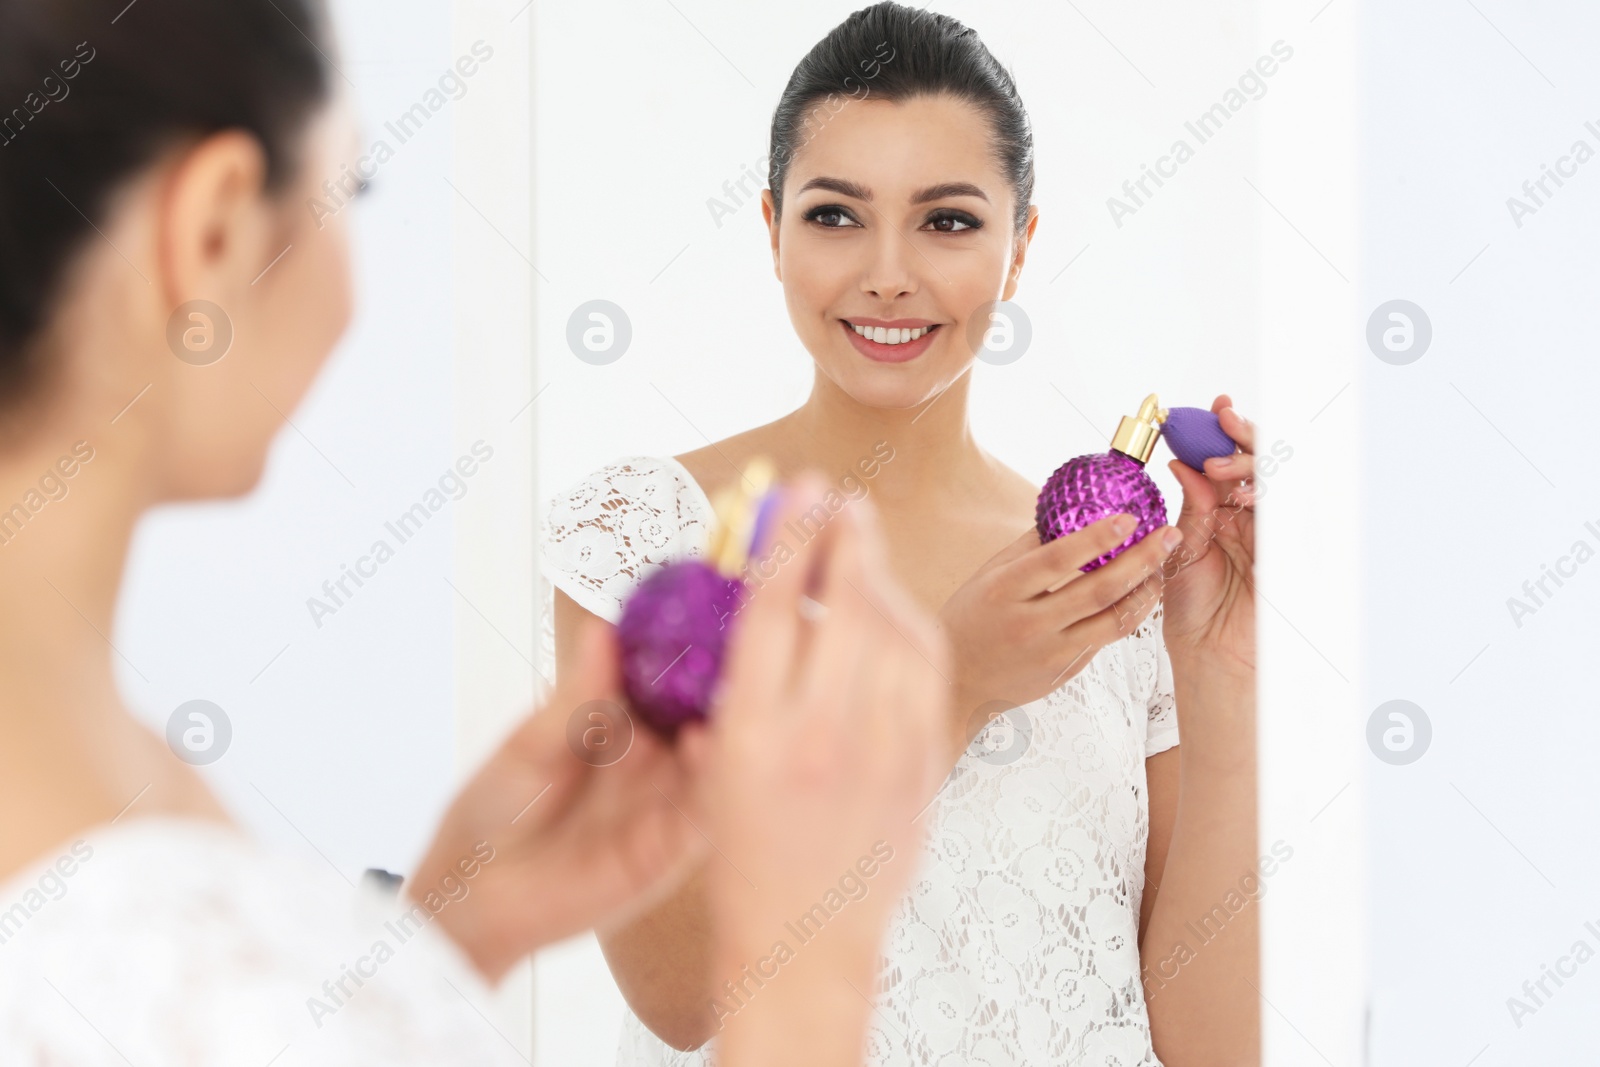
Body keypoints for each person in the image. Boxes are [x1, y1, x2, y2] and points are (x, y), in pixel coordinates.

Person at [0, 1, 951, 1063]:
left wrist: (446, 938)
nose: (889, 270)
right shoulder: (119, 897)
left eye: (945, 218)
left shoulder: (77, 774)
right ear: (211, 231)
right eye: (348, 188)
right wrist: (807, 976)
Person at [541, 3, 1260, 1064]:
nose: (887, 271)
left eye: (948, 220)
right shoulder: (655, 534)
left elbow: (1210, 1044)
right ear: (771, 232)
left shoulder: (1104, 575)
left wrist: (1219, 680)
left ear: (1020, 250)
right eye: (835, 215)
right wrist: (949, 683)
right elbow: (675, 986)